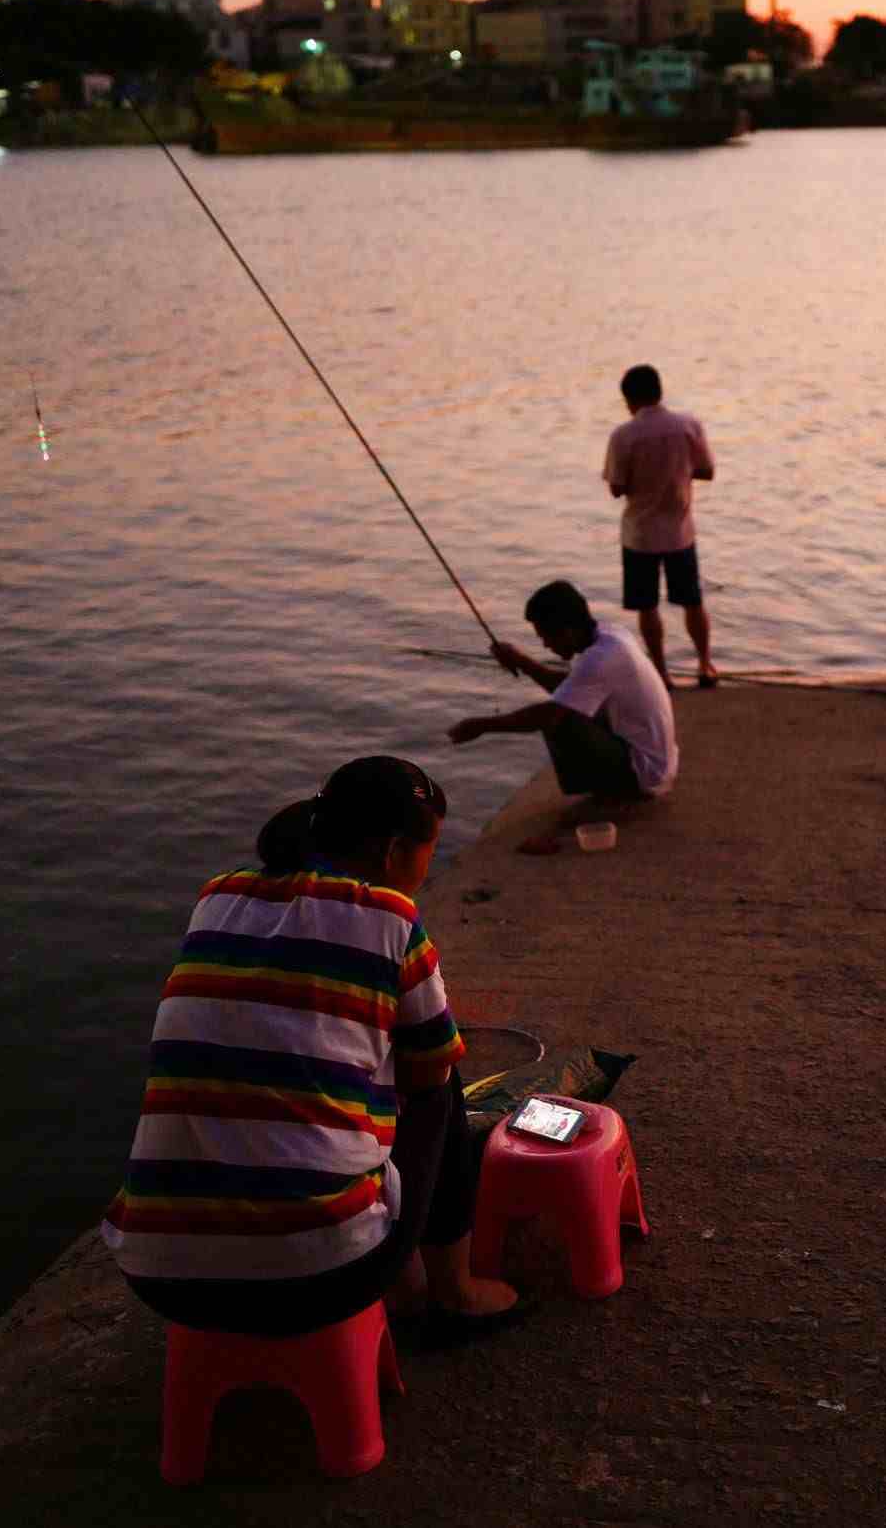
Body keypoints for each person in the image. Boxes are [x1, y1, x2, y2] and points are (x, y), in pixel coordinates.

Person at [100, 756, 522, 1341]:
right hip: (323, 1279)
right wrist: (401, 1246)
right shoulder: (392, 920)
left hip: (159, 1278)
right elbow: (425, 1086)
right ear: (396, 851)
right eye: (431, 849)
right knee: (439, 1079)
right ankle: (448, 1289)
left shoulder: (216, 898)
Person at [448, 580, 679, 813]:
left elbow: (552, 713)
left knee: (558, 720)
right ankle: (613, 789)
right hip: (657, 763)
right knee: (562, 707)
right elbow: (570, 687)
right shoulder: (609, 635)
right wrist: (520, 660)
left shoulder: (600, 659)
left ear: (567, 631)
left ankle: (617, 795)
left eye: (546, 637)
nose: (546, 645)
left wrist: (482, 725)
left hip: (646, 774)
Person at [603, 363, 719, 688]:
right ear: (659, 392)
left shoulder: (624, 435)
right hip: (680, 532)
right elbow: (707, 470)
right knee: (693, 601)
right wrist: (677, 472)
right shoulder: (688, 425)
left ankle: (662, 674)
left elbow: (616, 487)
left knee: (647, 606)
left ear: (630, 400)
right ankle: (705, 664)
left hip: (640, 535)